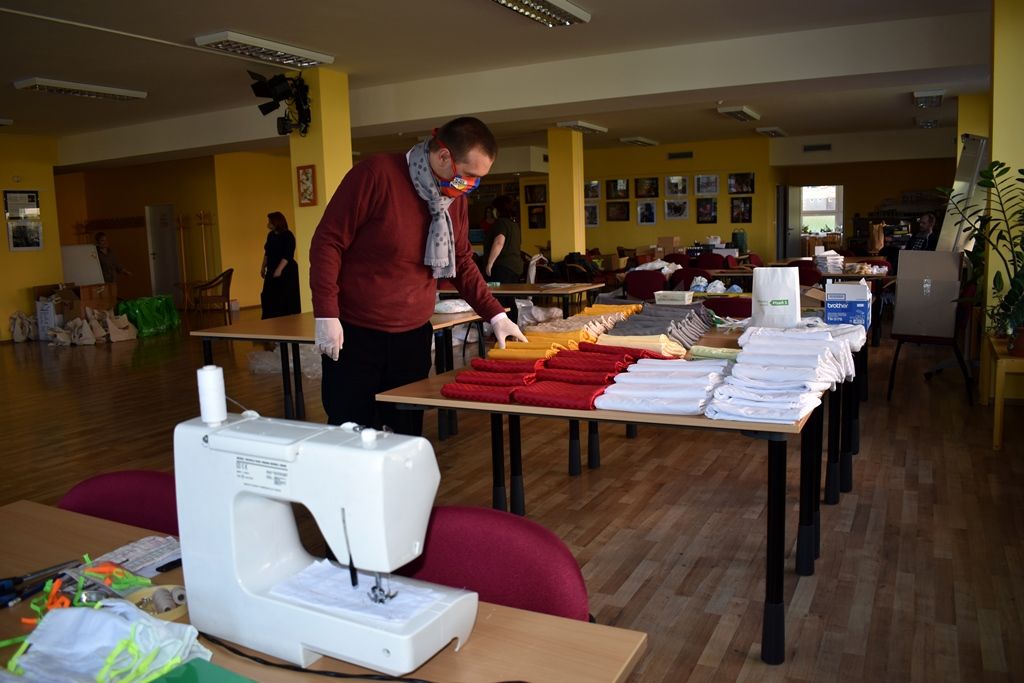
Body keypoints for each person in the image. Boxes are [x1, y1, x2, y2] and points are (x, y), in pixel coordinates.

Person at [309, 116, 528, 434]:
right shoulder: (376, 175)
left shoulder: (453, 201)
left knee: (404, 431)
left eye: (479, 178)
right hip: (356, 334)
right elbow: (327, 243)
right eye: (469, 175)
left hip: (411, 336)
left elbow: (462, 261)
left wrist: (495, 315)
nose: (472, 185)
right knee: (350, 429)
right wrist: (326, 313)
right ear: (443, 157)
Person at [260, 211, 301, 319]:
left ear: (276, 222)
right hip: (272, 268)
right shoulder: (271, 235)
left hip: (286, 271)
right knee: (268, 295)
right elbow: (267, 252)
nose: (268, 223)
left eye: (270, 221)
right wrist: (263, 266)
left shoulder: (288, 235)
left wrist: (279, 270)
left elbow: (288, 255)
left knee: (284, 296)